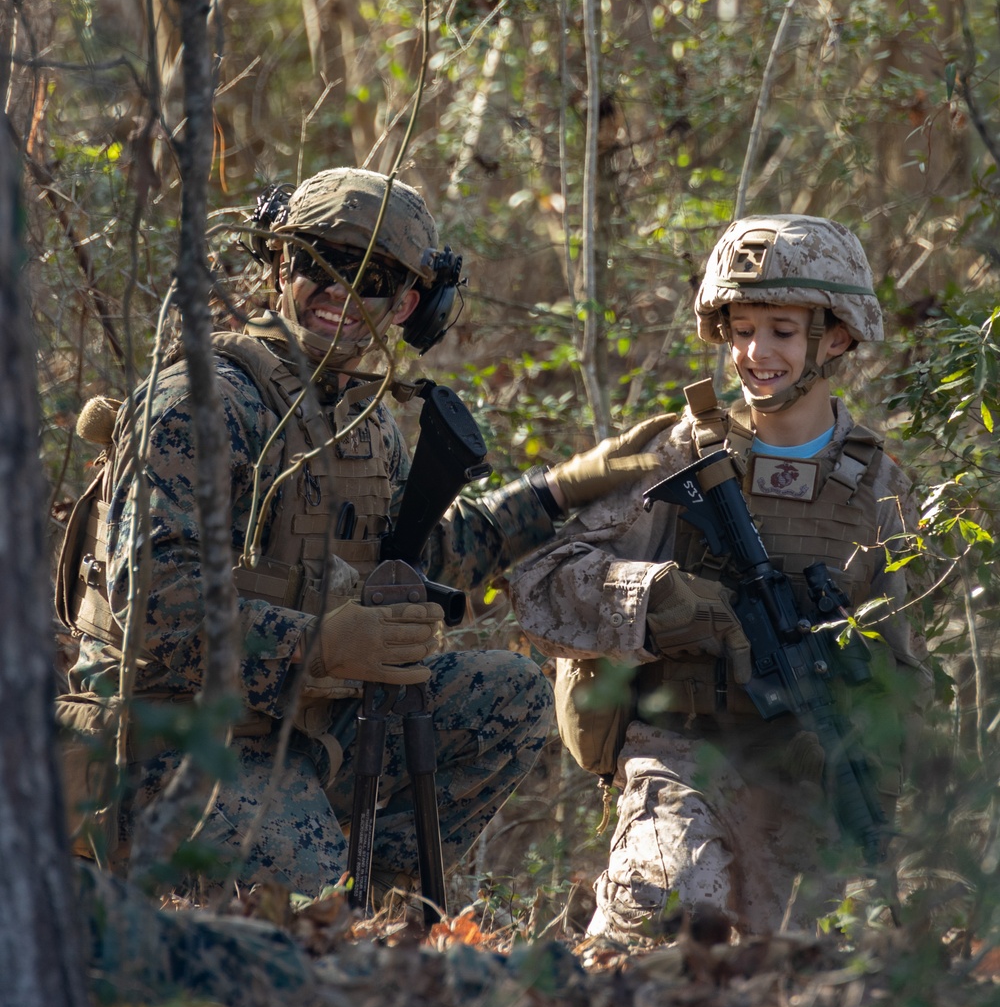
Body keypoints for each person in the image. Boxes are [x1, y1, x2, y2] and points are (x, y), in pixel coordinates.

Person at [59, 168, 668, 902]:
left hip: (295, 729)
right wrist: (318, 644)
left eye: (373, 277)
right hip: (162, 738)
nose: (341, 293)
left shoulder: (363, 417)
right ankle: (307, 901)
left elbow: (416, 554)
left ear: (411, 304)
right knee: (311, 895)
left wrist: (558, 491)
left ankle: (380, 901)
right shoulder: (203, 401)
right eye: (320, 264)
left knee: (508, 697)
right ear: (279, 266)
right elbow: (152, 610)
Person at [510, 214, 929, 941]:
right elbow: (538, 582)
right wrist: (651, 598)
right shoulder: (675, 455)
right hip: (680, 758)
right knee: (662, 926)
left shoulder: (882, 488)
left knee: (847, 963)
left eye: (781, 331)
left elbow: (903, 669)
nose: (754, 353)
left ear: (837, 337)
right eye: (739, 330)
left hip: (810, 782)